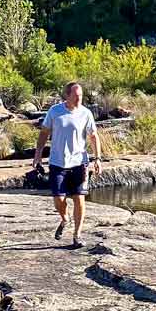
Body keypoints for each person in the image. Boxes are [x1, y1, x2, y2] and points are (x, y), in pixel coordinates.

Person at [33, 81, 101, 247]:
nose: (79, 99)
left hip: (79, 163)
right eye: (76, 96)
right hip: (58, 162)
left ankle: (77, 236)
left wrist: (98, 158)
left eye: (81, 96)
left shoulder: (86, 113)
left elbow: (93, 136)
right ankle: (65, 218)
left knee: (79, 198)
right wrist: (38, 155)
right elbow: (44, 133)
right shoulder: (55, 112)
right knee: (59, 198)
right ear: (67, 96)